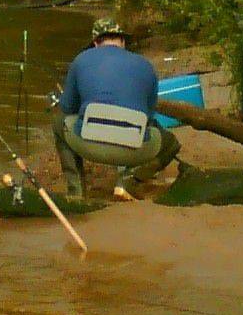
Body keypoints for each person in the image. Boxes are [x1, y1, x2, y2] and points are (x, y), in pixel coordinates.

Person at [53, 17, 180, 201]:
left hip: (89, 144)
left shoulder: (80, 60)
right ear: (122, 41)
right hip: (133, 148)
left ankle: (76, 192)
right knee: (170, 143)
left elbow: (67, 107)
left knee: (59, 122)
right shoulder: (146, 65)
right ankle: (130, 179)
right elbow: (149, 115)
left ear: (96, 43)